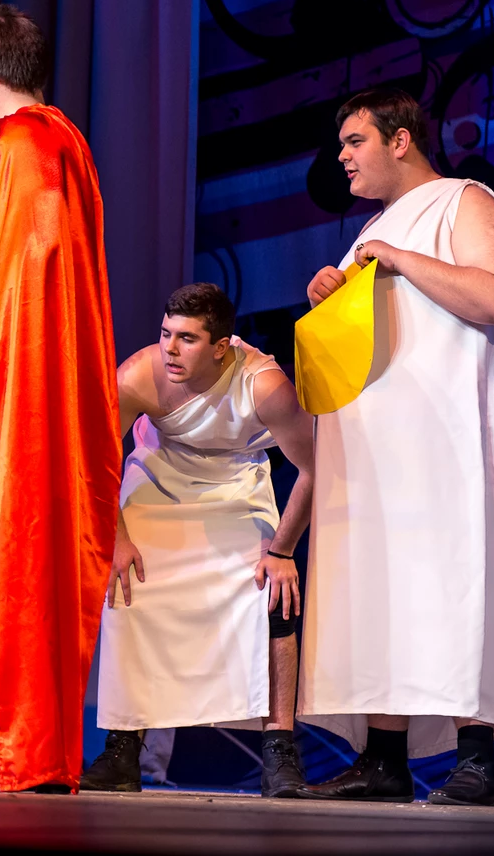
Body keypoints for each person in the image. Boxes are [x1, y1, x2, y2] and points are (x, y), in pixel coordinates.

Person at [296, 89, 494, 807]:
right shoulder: (370, 231)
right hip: (380, 453)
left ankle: (478, 760)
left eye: (354, 142)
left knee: (456, 583)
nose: (342, 157)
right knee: (382, 596)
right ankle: (382, 761)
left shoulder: (465, 200)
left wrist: (395, 258)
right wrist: (332, 294)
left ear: (400, 140)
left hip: (450, 442)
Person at [0, 5, 119, 794]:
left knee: (20, 558)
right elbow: (30, 268)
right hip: (57, 377)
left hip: (22, 389)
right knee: (41, 566)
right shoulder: (63, 140)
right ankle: (31, 745)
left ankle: (29, 750)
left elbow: (14, 291)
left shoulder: (6, 148)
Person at [81, 284, 313, 797]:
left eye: (186, 339)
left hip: (235, 488)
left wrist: (282, 551)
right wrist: (116, 536)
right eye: (166, 333)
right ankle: (122, 748)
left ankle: (279, 752)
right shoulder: (139, 375)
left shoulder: (264, 385)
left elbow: (316, 469)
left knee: (271, 594)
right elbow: (93, 458)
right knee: (128, 583)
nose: (170, 348)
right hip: (159, 478)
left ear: (221, 346)